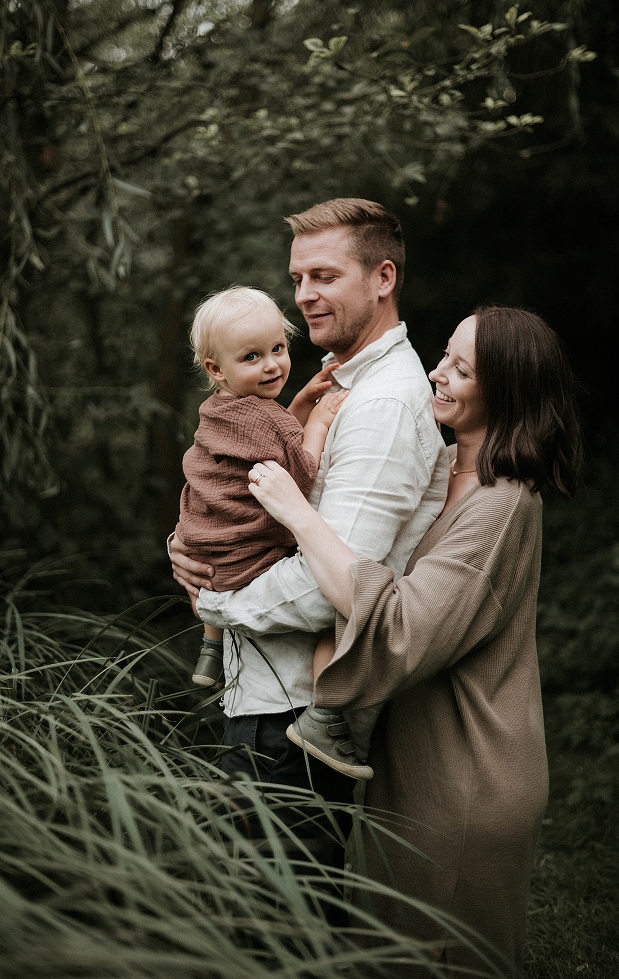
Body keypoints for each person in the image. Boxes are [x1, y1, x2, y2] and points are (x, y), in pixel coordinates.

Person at [245, 306, 583, 975]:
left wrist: (297, 512)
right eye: (443, 355)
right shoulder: (448, 471)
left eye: (461, 368)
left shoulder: (501, 504)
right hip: (420, 766)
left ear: (507, 393)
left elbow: (404, 628)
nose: (437, 372)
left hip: (465, 778)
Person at [169, 199, 449, 855]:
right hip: (268, 703)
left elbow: (335, 582)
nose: (304, 296)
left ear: (383, 278)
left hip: (292, 719)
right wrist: (189, 543)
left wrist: (213, 598)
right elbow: (233, 489)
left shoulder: (379, 405)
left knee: (285, 936)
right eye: (297, 279)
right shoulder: (325, 389)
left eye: (323, 276)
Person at [174, 285, 368, 778]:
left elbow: (272, 438)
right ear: (216, 369)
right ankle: (325, 717)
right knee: (341, 613)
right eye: (252, 357)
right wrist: (320, 421)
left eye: (278, 349)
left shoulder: (221, 410)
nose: (271, 366)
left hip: (206, 547)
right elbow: (298, 470)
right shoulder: (267, 419)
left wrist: (300, 400)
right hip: (246, 558)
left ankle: (210, 646)